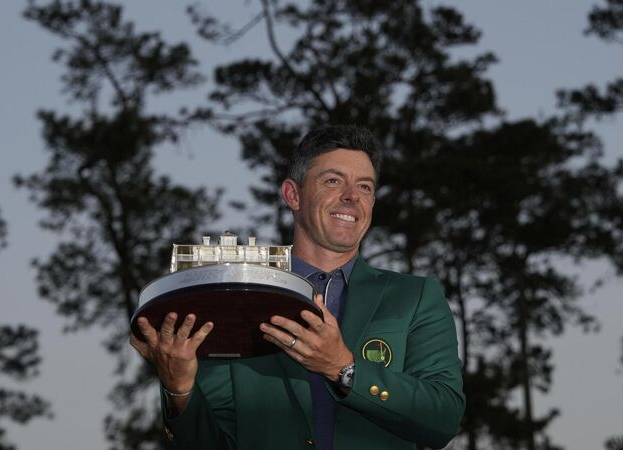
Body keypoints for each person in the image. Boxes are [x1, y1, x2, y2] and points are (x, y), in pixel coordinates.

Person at [130, 125, 465, 450]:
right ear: (293, 195)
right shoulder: (235, 298)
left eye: (364, 187)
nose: (352, 196)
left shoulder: (413, 297)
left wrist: (344, 368)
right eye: (333, 180)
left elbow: (443, 419)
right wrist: (179, 388)